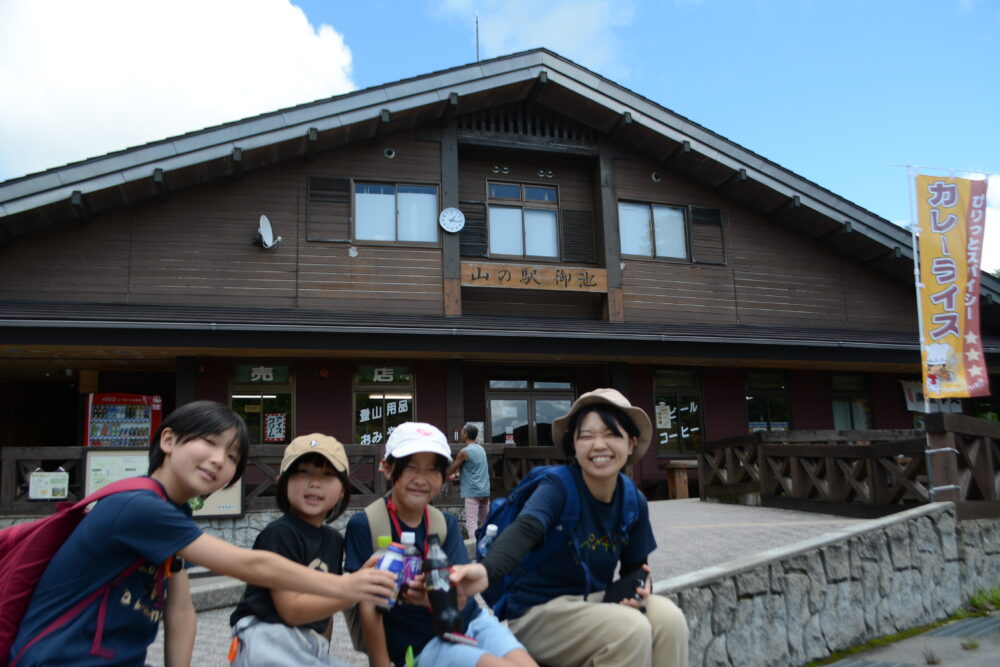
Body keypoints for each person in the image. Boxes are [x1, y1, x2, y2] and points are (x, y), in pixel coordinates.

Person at [9, 401, 396, 667]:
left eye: (231, 457)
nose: (218, 460)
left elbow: (180, 610)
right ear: (168, 441)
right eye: (209, 443)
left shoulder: (172, 515)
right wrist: (350, 587)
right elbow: (251, 564)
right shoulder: (139, 505)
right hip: (62, 658)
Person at [450, 388, 690, 667]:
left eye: (612, 434)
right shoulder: (558, 486)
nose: (598, 445)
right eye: (586, 436)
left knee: (670, 619)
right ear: (573, 445)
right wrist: (485, 570)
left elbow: (636, 568)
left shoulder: (633, 500)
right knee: (630, 629)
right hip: (536, 612)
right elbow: (526, 528)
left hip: (594, 604)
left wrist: (639, 589)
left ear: (631, 443)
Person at [344, 422, 536, 667]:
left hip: (471, 622)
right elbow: (367, 604)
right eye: (411, 468)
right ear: (388, 468)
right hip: (423, 643)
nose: (421, 480)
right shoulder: (366, 525)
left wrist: (431, 596)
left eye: (432, 471)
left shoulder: (444, 523)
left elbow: (462, 599)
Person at [229, 433, 359, 666]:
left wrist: (322, 651)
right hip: (265, 636)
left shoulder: (333, 539)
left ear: (342, 490)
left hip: (306, 641)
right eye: (303, 472)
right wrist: (353, 592)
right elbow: (289, 611)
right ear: (282, 482)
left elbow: (324, 614)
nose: (315, 483)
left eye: (328, 475)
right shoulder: (279, 534)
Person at [446, 424, 490, 538]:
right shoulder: (481, 449)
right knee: (485, 523)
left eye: (462, 432)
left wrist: (443, 474)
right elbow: (473, 470)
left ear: (465, 434)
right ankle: (488, 546)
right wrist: (456, 475)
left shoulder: (464, 452)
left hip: (472, 492)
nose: (461, 434)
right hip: (485, 491)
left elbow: (452, 467)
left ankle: (474, 549)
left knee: (471, 524)